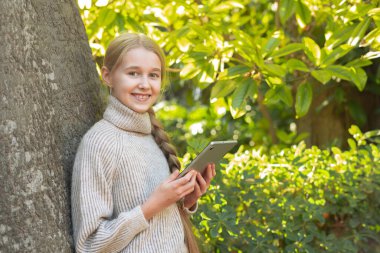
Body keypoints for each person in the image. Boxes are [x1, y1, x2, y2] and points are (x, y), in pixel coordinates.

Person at [71, 32, 216, 253]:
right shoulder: (98, 143)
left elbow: (158, 234)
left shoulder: (152, 137)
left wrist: (186, 201)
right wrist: (150, 207)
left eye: (153, 75)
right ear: (107, 76)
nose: (145, 84)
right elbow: (89, 244)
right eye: (133, 73)